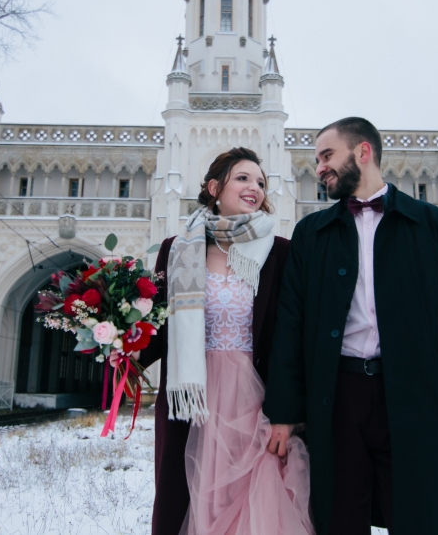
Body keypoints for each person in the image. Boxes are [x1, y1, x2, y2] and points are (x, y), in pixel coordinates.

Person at [263, 117, 438, 535]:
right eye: (318, 159)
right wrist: (285, 412)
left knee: (422, 519)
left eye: (327, 156)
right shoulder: (311, 233)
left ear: (363, 152)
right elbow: (290, 328)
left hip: (414, 399)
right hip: (337, 399)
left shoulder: (433, 226)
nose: (319, 168)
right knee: (339, 520)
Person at [116, 147, 313, 535]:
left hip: (255, 401)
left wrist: (289, 412)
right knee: (191, 502)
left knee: (257, 506)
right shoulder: (177, 249)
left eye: (260, 182)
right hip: (193, 401)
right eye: (243, 178)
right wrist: (116, 341)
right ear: (213, 187)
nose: (254, 187)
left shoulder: (280, 252)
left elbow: (292, 337)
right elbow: (159, 326)